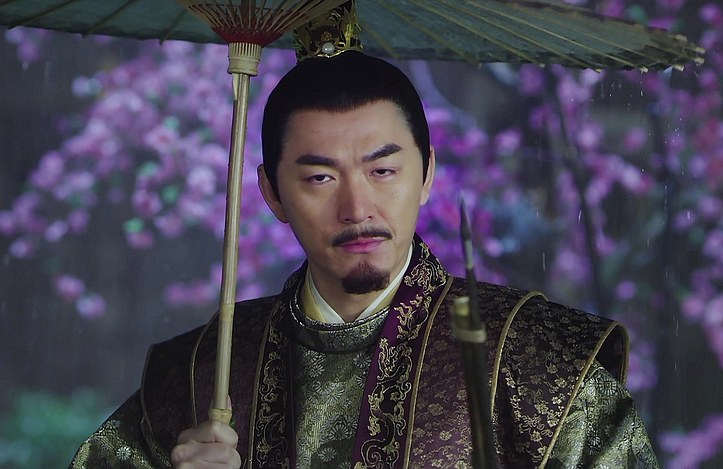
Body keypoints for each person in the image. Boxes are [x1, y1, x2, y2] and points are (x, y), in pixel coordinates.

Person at [70, 9, 658, 469]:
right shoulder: (201, 372)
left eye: (383, 170)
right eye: (320, 178)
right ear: (272, 193)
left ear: (426, 174)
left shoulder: (534, 360)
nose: (357, 208)